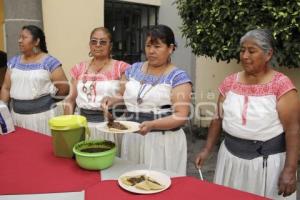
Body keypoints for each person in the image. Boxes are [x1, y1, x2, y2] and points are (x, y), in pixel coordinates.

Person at [195, 29, 299, 199]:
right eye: (242, 50)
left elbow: (293, 130)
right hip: (229, 159)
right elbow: (217, 118)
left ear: (268, 54)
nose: (244, 56)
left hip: (265, 163)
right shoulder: (230, 82)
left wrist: (290, 169)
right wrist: (207, 149)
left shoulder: (282, 86)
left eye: (252, 51)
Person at [102, 25, 192, 175]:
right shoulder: (133, 70)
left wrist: (153, 124)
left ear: (170, 48)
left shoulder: (178, 78)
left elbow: (181, 116)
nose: (151, 51)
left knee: (158, 183)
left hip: (162, 141)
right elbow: (122, 96)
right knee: (130, 180)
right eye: (148, 45)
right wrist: (111, 101)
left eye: (157, 46)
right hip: (133, 137)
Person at [64, 27, 129, 147]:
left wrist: (114, 100)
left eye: (103, 42)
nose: (98, 45)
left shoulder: (122, 68)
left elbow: (127, 98)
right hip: (83, 125)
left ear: (110, 46)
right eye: (94, 41)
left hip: (111, 125)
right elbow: (71, 99)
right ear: (89, 45)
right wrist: (69, 126)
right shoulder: (79, 68)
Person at [0, 25, 69, 135]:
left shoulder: (49, 62)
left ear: (36, 41)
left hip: (43, 117)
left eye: (24, 37)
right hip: (17, 118)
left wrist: (44, 102)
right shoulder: (13, 62)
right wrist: (2, 109)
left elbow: (64, 88)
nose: (19, 40)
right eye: (19, 37)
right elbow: (6, 87)